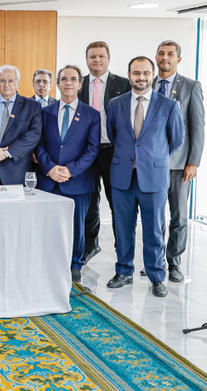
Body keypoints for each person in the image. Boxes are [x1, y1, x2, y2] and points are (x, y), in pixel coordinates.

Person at [106, 56, 184, 298]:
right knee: (123, 227)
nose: (141, 77)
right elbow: (112, 134)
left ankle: (156, 276)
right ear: (129, 75)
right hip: (122, 176)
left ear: (153, 75)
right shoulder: (115, 104)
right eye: (136, 73)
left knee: (153, 231)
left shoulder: (169, 105)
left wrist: (153, 158)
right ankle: (124, 271)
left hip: (154, 177)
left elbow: (176, 140)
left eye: (145, 73)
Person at [35, 65, 100, 283]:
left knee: (76, 225)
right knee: (48, 224)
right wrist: (50, 168)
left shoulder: (92, 115)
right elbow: (39, 145)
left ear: (80, 85)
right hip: (48, 179)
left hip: (78, 181)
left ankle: (74, 264)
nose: (68, 82)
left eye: (73, 79)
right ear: (59, 84)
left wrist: (70, 170)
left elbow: (92, 149)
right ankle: (47, 261)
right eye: (64, 79)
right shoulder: (45, 112)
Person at [151, 40, 204, 282]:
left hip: (180, 165)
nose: (165, 57)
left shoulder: (191, 87)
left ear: (178, 59)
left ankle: (174, 263)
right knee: (154, 216)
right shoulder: (147, 84)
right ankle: (156, 261)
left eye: (170, 54)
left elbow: (198, 126)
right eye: (161, 53)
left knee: (180, 216)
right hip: (151, 165)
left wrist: (193, 161)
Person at [79, 41, 131, 263]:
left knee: (117, 203)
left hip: (114, 153)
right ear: (87, 60)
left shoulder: (124, 83)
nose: (97, 60)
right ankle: (91, 246)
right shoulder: (78, 84)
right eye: (92, 57)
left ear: (109, 58)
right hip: (86, 153)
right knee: (89, 202)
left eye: (101, 56)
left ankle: (123, 251)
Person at [0, 65, 42, 185]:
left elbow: (33, 135)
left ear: (17, 83)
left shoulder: (32, 106)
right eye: (2, 80)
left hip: (16, 173)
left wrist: (5, 153)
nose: (6, 84)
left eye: (11, 81)